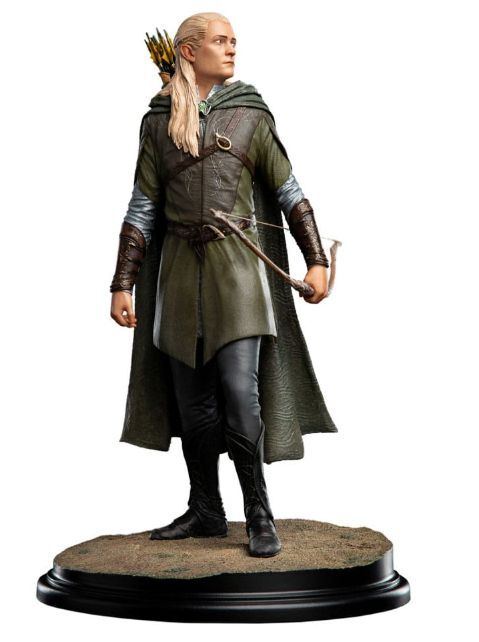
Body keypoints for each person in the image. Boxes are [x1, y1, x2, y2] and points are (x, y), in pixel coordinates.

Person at [110, 12, 337, 558]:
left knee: (240, 395)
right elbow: (142, 207)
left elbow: (289, 191)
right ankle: (207, 509)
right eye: (219, 41)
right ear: (188, 52)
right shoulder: (158, 120)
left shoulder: (250, 114)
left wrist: (316, 260)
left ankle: (258, 513)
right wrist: (122, 283)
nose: (231, 48)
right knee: (193, 406)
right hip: (178, 278)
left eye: (234, 41)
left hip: (238, 275)